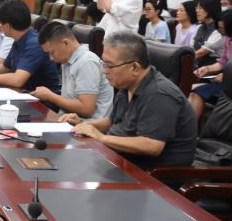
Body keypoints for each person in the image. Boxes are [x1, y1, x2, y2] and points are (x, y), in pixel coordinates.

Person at [65, 32, 197, 170]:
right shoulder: (127, 84)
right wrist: (82, 124)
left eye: (109, 65)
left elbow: (152, 146)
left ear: (134, 67)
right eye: (103, 64)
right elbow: (112, 121)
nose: (104, 71)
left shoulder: (159, 94)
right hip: (120, 159)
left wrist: (101, 137)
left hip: (150, 174)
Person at [0, 0, 60, 91]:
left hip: (41, 98)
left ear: (7, 26)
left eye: (0, 23)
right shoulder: (19, 39)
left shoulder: (34, 44)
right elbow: (5, 67)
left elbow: (17, 80)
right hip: (22, 92)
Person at [31, 22, 113, 120]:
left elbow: (86, 110)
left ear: (66, 43)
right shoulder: (67, 59)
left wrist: (50, 96)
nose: (51, 58)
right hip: (67, 119)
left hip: (87, 125)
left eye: (52, 52)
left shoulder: (87, 62)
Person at [189, 9, 232, 121]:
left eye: (224, 29)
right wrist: (207, 68)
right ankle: (190, 128)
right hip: (226, 82)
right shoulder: (227, 39)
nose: (222, 31)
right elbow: (223, 62)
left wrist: (226, 75)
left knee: (197, 92)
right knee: (194, 93)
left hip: (228, 83)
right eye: (220, 28)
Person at [193, 0, 222, 68]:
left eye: (200, 8)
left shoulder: (219, 30)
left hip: (212, 68)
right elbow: (191, 47)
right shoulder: (199, 27)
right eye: (197, 8)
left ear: (210, 9)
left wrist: (182, 59)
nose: (197, 11)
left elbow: (201, 52)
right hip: (197, 65)